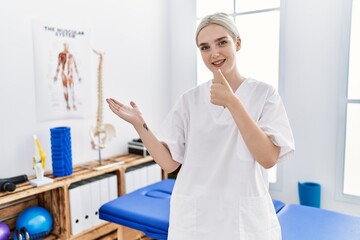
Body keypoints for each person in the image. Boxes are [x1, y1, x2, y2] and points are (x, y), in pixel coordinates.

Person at [106, 12, 294, 240]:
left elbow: (268, 158)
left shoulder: (264, 95)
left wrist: (232, 103)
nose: (214, 53)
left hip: (244, 220)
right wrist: (139, 124)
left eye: (222, 42)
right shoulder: (190, 100)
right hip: (196, 220)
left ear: (238, 43)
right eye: (204, 47)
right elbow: (169, 162)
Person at [54, 42, 81, 110]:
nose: (66, 47)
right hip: (64, 75)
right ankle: (67, 104)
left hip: (70, 74)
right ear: (64, 46)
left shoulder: (71, 55)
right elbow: (58, 65)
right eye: (65, 45)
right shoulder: (61, 54)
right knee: (65, 90)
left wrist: (78, 76)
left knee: (72, 90)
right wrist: (56, 76)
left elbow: (75, 66)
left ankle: (74, 104)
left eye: (67, 45)